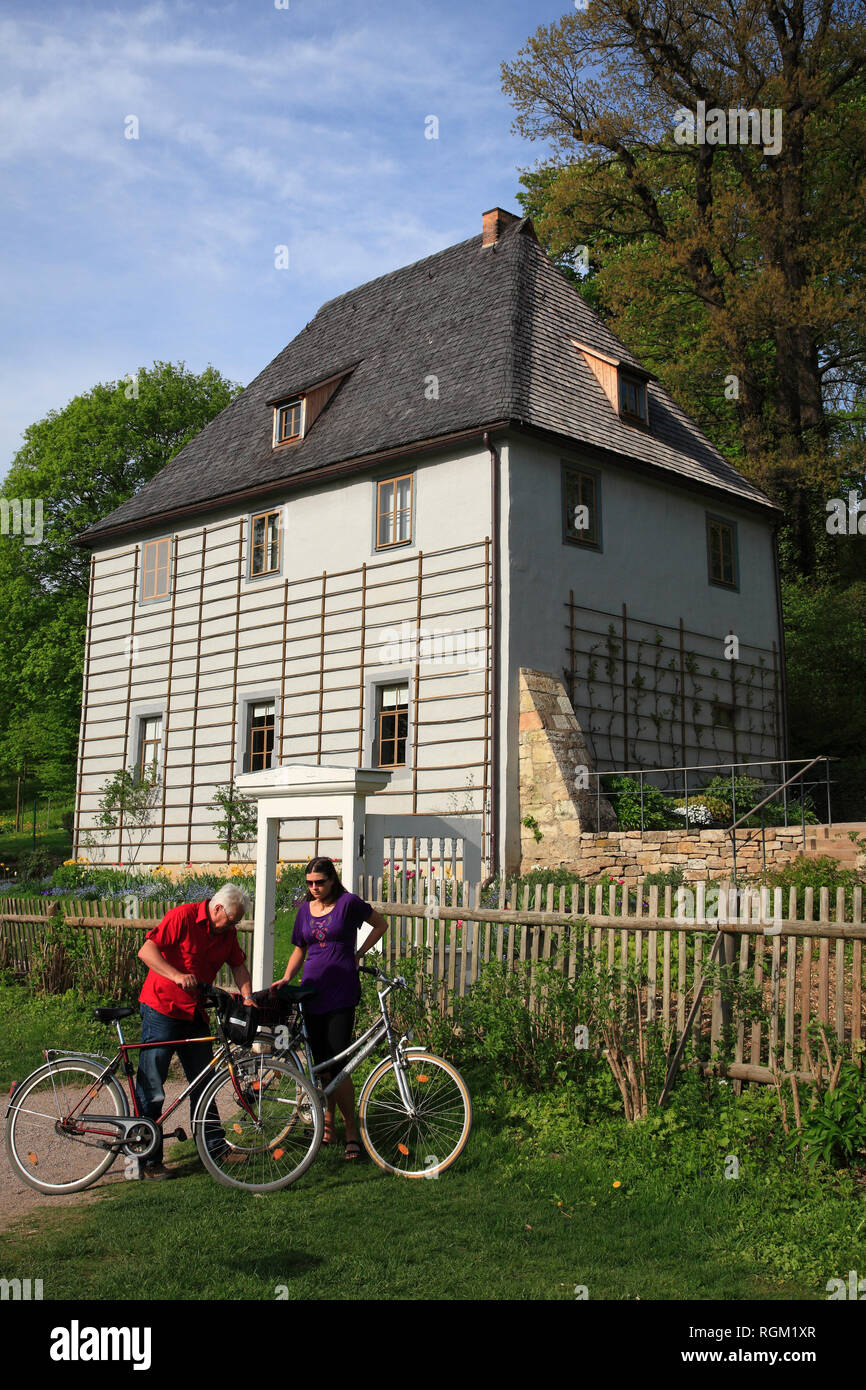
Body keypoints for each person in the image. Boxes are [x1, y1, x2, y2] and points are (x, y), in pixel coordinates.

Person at [134, 882, 254, 1179]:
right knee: (152, 1084)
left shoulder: (227, 933)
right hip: (162, 1008)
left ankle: (214, 1149)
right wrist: (176, 975)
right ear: (216, 909)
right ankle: (148, 1160)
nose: (234, 926)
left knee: (204, 1082)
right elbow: (146, 951)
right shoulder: (182, 917)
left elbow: (238, 965)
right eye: (232, 919)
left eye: (238, 921)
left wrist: (248, 997)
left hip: (195, 1012)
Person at [274, 857, 388, 1160]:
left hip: (341, 991)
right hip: (311, 991)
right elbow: (300, 947)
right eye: (310, 883)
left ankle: (352, 1130)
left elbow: (381, 924)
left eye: (320, 883)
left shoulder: (349, 903)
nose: (314, 888)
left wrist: (359, 954)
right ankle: (328, 1123)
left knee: (339, 1061)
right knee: (322, 1063)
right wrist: (287, 977)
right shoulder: (304, 911)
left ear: (332, 880)